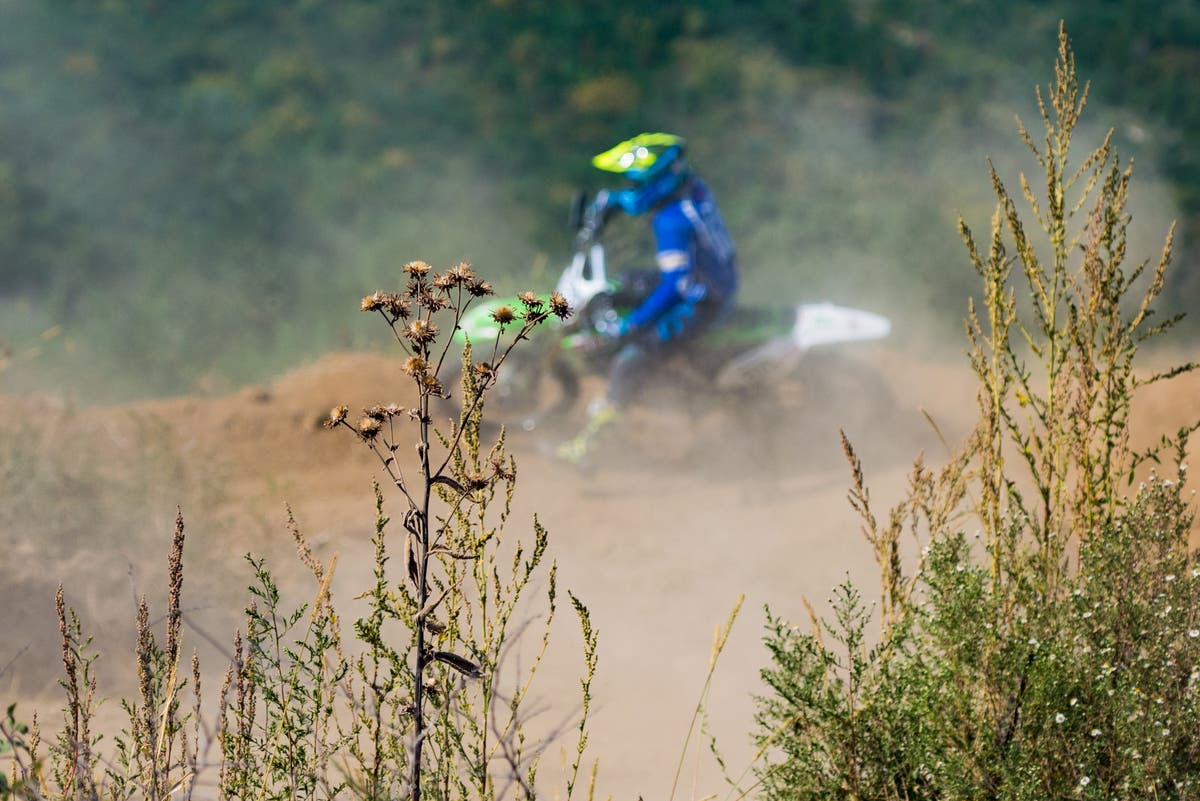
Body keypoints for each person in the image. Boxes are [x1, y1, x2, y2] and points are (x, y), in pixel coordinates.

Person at [556, 132, 738, 465]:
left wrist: (631, 324)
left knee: (631, 358)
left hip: (703, 300)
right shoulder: (691, 187)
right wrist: (613, 201)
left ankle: (591, 447)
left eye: (635, 182)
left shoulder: (672, 222)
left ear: (654, 181)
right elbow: (645, 196)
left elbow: (675, 289)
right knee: (623, 282)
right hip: (711, 275)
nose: (631, 188)